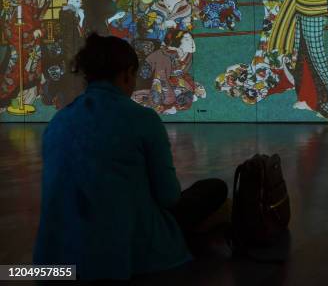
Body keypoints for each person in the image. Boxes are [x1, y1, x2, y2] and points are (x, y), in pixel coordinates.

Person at [33, 33, 227, 280]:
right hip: (126, 256)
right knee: (213, 188)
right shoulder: (143, 119)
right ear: (127, 74)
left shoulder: (57, 123)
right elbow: (169, 197)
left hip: (52, 264)